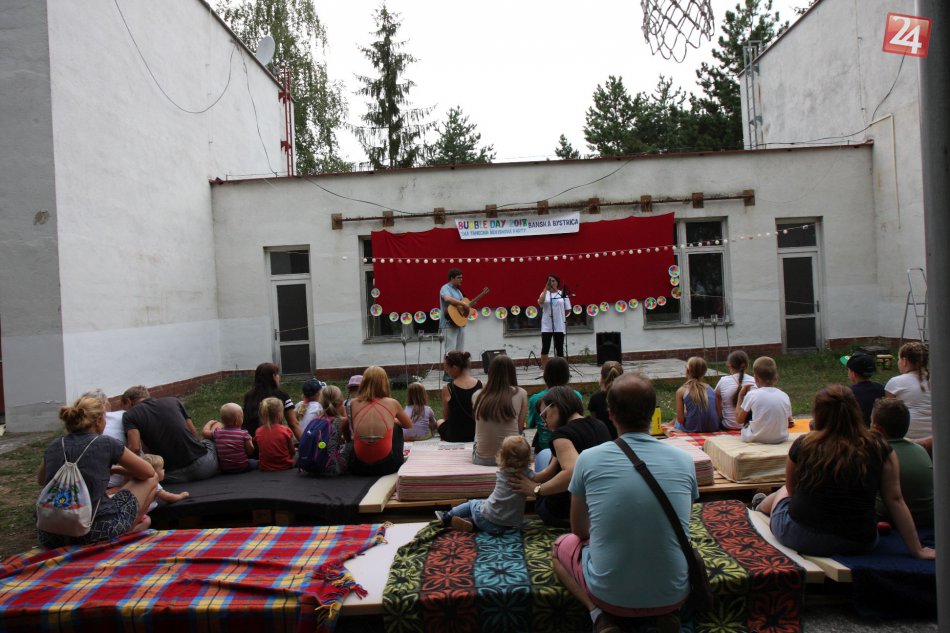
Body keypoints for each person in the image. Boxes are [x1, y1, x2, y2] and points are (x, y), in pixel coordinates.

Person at [552, 373, 698, 633]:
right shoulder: (684, 460)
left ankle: (598, 615)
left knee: (560, 547)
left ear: (610, 414)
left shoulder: (588, 459)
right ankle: (666, 613)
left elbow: (579, 530)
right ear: (653, 412)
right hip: (673, 593)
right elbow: (682, 522)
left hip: (608, 595)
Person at [753, 386, 934, 561]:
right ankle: (760, 505)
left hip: (802, 536)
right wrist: (917, 550)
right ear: (855, 411)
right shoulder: (880, 448)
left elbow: (792, 491)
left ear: (818, 414)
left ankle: (759, 507)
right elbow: (895, 500)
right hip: (858, 542)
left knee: (784, 491)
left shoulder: (804, 444)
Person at [37, 396, 159, 549]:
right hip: (96, 531)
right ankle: (124, 537)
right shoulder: (106, 443)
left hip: (51, 535)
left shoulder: (55, 445)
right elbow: (148, 472)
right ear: (98, 421)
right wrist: (116, 469)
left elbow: (41, 480)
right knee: (152, 478)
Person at [510, 386, 612, 528]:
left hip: (566, 514)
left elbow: (572, 472)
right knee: (548, 454)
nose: (544, 423)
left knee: (543, 455)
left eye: (544, 415)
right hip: (601, 507)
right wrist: (532, 479)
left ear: (556, 406)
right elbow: (552, 470)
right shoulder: (600, 425)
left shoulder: (562, 435)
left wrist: (536, 489)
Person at [436, 435, 535, 534]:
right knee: (487, 514)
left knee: (473, 503)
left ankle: (447, 516)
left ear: (502, 457)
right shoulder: (527, 475)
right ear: (528, 458)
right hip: (510, 526)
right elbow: (538, 477)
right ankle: (472, 525)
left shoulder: (502, 472)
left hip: (487, 518)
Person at [121, 386, 219, 484]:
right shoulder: (173, 401)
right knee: (214, 428)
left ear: (128, 401)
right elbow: (193, 432)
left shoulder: (130, 415)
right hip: (204, 467)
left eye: (123, 407)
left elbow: (135, 448)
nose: (125, 411)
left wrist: (127, 476)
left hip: (171, 476)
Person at [871, 399, 934, 530]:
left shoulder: (877, 453)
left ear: (877, 428)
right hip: (928, 519)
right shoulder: (920, 450)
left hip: (891, 522)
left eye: (871, 423)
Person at [347, 366, 414, 476]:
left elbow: (355, 429)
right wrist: (393, 420)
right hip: (388, 466)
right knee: (397, 428)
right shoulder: (392, 403)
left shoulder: (354, 403)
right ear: (385, 383)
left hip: (359, 466)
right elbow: (408, 425)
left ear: (364, 383)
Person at [472, 355, 528, 465]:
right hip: (511, 459)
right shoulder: (521, 393)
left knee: (477, 436)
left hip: (482, 459)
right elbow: (520, 429)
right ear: (512, 372)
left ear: (490, 372)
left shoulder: (477, 395)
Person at [527, 357, 583, 459]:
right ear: (567, 376)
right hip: (572, 445)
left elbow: (531, 423)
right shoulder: (576, 396)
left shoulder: (535, 399)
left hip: (545, 448)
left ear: (545, 376)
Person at [736, 357, 792, 444]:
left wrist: (740, 397)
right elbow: (789, 419)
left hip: (756, 438)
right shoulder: (784, 396)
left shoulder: (752, 394)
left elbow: (739, 420)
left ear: (756, 378)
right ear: (776, 377)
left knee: (749, 411)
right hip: (781, 438)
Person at [242, 362, 301, 441]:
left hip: (251, 441)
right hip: (272, 440)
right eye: (278, 374)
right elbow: (293, 423)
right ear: (274, 376)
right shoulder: (282, 395)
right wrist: (305, 443)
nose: (279, 377)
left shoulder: (249, 395)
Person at [82, 389, 128, 489]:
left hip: (85, 488)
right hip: (111, 485)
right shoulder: (108, 441)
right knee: (151, 478)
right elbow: (147, 472)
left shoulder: (61, 442)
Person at [885, 342, 931, 439]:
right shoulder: (937, 381)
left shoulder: (895, 382)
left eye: (899, 359)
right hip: (936, 437)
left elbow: (888, 416)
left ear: (904, 361)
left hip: (907, 438)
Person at [303, 385, 350, 476]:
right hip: (331, 467)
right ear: (340, 402)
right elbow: (348, 440)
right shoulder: (343, 421)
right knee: (351, 444)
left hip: (312, 466)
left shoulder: (315, 420)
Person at [435, 351, 483, 442]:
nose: (447, 372)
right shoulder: (480, 385)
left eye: (447, 369)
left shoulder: (448, 388)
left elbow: (446, 416)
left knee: (439, 422)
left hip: (455, 435)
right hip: (476, 433)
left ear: (455, 368)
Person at [134, 454, 190, 529]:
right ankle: (132, 533)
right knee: (147, 521)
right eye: (162, 468)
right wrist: (181, 495)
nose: (164, 470)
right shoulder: (154, 485)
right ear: (154, 473)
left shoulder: (135, 481)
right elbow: (169, 497)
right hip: (137, 516)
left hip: (129, 512)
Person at [202, 403, 256, 473]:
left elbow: (205, 432)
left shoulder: (217, 433)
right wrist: (250, 440)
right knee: (255, 462)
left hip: (225, 469)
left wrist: (210, 422)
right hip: (242, 467)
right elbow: (250, 452)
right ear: (236, 421)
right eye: (242, 416)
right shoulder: (243, 434)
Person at [674, 356, 719, 433]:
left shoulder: (682, 391)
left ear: (687, 370)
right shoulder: (711, 389)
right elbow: (718, 414)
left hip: (691, 428)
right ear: (704, 372)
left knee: (677, 421)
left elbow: (681, 420)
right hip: (713, 427)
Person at [714, 350, 755, 430]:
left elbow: (716, 397)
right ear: (746, 365)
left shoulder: (723, 381)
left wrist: (720, 415)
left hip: (727, 425)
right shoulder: (753, 381)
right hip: (748, 427)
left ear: (730, 366)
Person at [841, 352, 885, 427]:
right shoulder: (880, 388)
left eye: (848, 369)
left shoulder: (848, 393)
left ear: (853, 374)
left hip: (857, 430)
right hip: (876, 429)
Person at [538, 274, 572, 368]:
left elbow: (568, 309)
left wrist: (562, 316)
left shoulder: (562, 294)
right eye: (549, 281)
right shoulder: (544, 293)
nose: (551, 283)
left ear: (557, 283)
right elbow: (540, 302)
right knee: (545, 347)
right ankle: (544, 368)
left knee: (559, 348)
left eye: (553, 281)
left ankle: (560, 368)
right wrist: (545, 289)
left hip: (559, 324)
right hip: (547, 325)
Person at [255, 397, 296, 471]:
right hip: (285, 465)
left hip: (265, 467)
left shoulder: (258, 431)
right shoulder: (286, 430)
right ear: (279, 414)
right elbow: (292, 452)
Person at [587, 361, 623, 439]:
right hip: (624, 440)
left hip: (602, 440)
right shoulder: (628, 396)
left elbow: (594, 424)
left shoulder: (595, 398)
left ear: (602, 378)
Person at [439, 268, 467, 358]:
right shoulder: (445, 288)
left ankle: (459, 367)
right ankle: (449, 367)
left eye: (462, 277)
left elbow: (460, 308)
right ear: (452, 278)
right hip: (449, 324)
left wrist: (467, 306)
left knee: (460, 352)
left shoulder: (458, 291)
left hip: (459, 324)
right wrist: (462, 303)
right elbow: (447, 298)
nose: (461, 279)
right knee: (450, 352)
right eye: (459, 278)